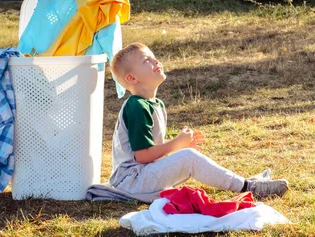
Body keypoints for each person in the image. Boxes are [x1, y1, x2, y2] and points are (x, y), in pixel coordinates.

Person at [107, 42, 289, 203]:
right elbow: (142, 156)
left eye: (154, 57)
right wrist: (177, 144)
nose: (156, 61)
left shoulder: (156, 104)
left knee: (187, 157)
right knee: (188, 157)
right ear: (131, 78)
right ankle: (249, 187)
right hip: (131, 182)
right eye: (146, 60)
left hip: (142, 177)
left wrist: (178, 147)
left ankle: (246, 182)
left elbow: (150, 152)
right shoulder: (136, 106)